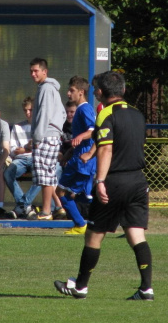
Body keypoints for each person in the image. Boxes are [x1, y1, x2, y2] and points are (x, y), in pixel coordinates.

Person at [54, 71, 154, 301]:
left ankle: (80, 287)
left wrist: (99, 181)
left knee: (94, 236)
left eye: (95, 89)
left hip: (115, 181)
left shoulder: (105, 114)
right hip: (138, 181)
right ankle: (146, 289)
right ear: (124, 90)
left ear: (100, 93)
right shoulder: (138, 115)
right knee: (136, 235)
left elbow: (106, 149)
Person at [56, 76, 97, 235]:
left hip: (82, 162)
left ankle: (81, 224)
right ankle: (83, 223)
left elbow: (93, 131)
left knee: (63, 192)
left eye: (71, 90)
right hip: (78, 159)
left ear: (81, 92)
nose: (68, 93)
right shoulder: (81, 109)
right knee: (77, 194)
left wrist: (80, 137)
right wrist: (69, 153)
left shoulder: (85, 109)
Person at [28, 57, 66, 220]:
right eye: (31, 71)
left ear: (45, 71)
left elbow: (44, 115)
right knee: (48, 174)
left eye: (36, 71)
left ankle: (46, 211)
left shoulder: (45, 89)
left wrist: (37, 138)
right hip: (51, 135)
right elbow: (63, 113)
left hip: (45, 136)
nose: (33, 74)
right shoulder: (49, 88)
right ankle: (58, 208)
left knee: (44, 175)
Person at [3, 97, 39, 219]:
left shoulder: (41, 127)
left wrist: (25, 149)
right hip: (21, 159)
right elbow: (13, 150)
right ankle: (27, 207)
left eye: (31, 110)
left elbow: (44, 148)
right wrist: (26, 149)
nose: (28, 113)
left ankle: (21, 206)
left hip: (37, 158)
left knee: (42, 175)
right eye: (25, 110)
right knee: (8, 173)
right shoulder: (18, 127)